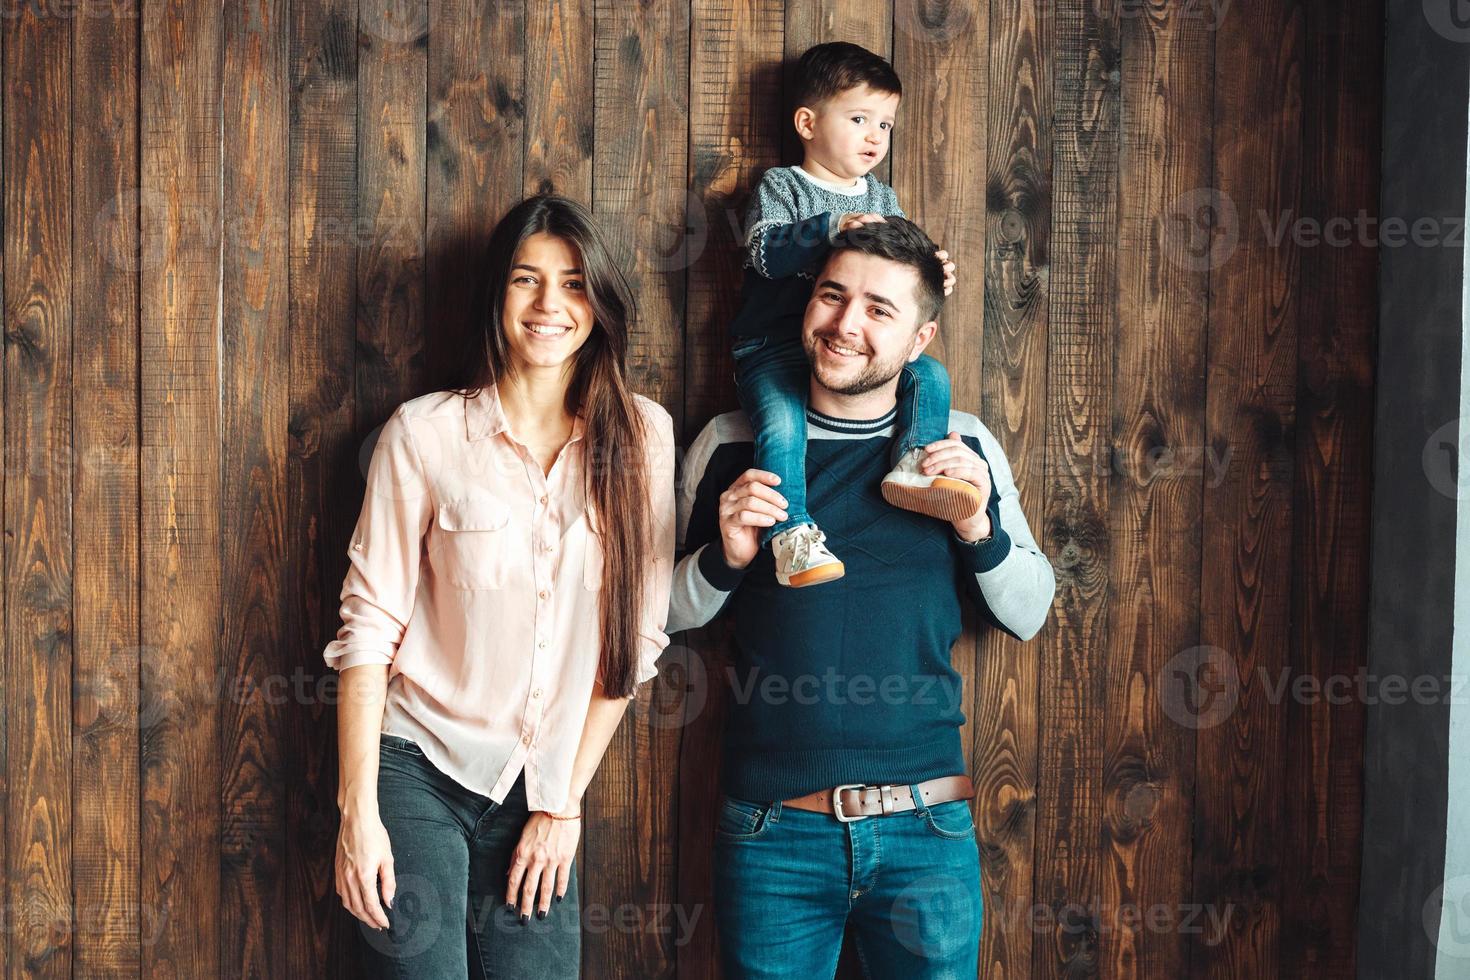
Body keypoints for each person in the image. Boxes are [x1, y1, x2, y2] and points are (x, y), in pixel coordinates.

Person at [670, 218, 1056, 978]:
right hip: (772, 833)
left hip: (927, 828)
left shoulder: (963, 446)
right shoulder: (730, 443)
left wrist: (977, 523)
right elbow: (658, 617)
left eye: (879, 309)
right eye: (831, 296)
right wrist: (726, 555)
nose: (846, 325)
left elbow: (1030, 610)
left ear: (920, 339)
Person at [324, 195, 676, 978]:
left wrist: (563, 800)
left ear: (599, 300)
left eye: (575, 282)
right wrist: (359, 813)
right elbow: (368, 628)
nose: (551, 305)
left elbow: (638, 639)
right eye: (527, 280)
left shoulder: (644, 435)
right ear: (497, 295)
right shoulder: (424, 433)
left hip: (544, 780)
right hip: (418, 766)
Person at [727, 41, 976, 588]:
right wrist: (829, 229)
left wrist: (936, 271)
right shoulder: (783, 186)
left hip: (852, 352)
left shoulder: (884, 198)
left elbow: (904, 268)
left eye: (884, 125)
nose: (874, 137)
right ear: (808, 123)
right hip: (773, 347)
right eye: (860, 119)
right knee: (784, 426)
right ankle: (790, 534)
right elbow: (763, 254)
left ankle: (913, 463)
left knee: (930, 375)